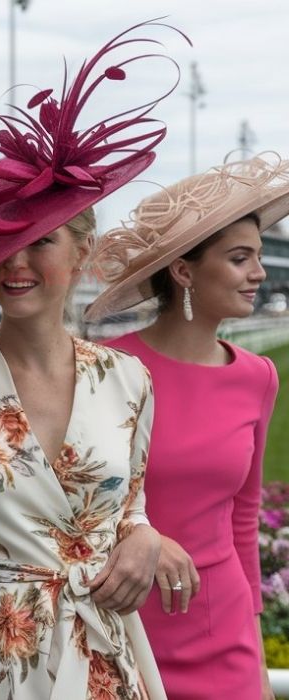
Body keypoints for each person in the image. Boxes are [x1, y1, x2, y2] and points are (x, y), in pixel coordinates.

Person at [0, 21, 185, 699]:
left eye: (43, 242)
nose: (17, 263)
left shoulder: (130, 381)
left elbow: (128, 511)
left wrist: (142, 537)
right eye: (4, 243)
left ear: (82, 253)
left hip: (104, 667)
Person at [86, 155, 289, 700]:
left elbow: (243, 516)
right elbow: (64, 507)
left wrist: (249, 632)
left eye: (259, 257)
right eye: (240, 258)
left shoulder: (258, 376)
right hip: (120, 629)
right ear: (184, 271)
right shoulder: (102, 369)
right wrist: (138, 534)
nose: (259, 273)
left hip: (224, 634)